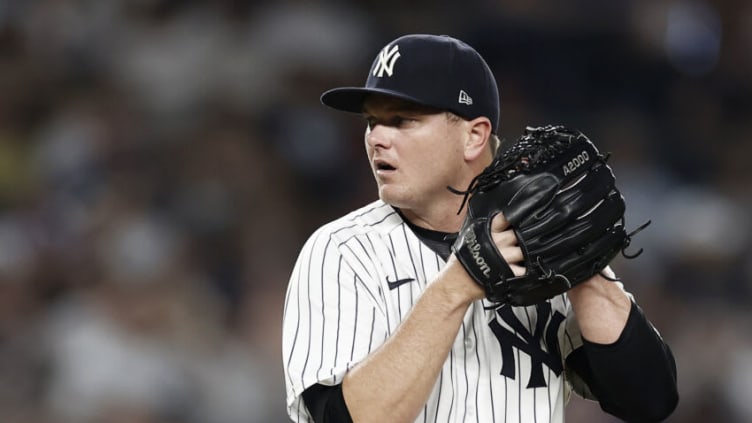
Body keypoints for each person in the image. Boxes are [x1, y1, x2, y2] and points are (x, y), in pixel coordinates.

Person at [282, 33, 678, 423]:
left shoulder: (541, 240)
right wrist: (456, 285)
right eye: (372, 121)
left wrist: (583, 271)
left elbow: (649, 401)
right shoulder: (342, 251)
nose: (376, 139)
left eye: (402, 120)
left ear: (474, 136)